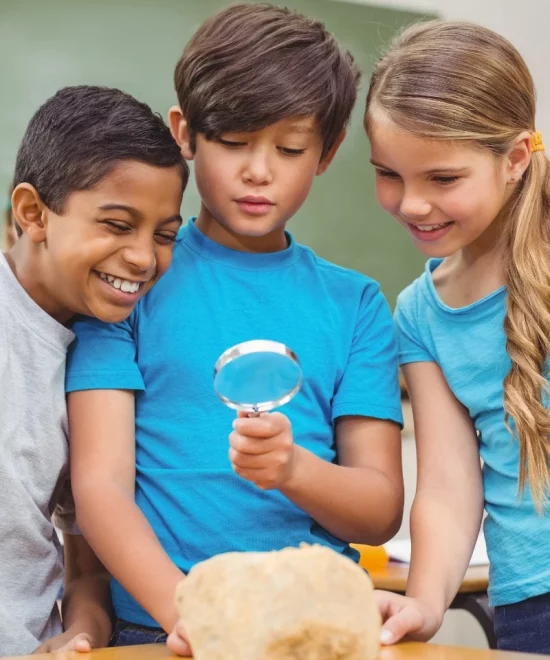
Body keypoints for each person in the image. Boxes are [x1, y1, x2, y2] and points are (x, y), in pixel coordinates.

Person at [64, 4, 404, 654]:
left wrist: (294, 469)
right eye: (233, 141)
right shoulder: (129, 280)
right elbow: (100, 486)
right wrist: (185, 615)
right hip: (163, 630)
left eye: (290, 148)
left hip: (311, 634)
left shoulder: (355, 304)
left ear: (328, 152)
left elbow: (380, 507)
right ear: (184, 134)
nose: (258, 170)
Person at [365, 20, 550, 654]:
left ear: (515, 158)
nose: (412, 204)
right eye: (389, 174)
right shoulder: (421, 312)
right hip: (529, 604)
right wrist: (424, 599)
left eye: (442, 179)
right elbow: (447, 486)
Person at [1, 84, 188, 656]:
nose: (143, 257)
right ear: (33, 213)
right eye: (115, 224)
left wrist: (83, 634)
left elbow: (87, 571)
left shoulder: (100, 363)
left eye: (164, 235)